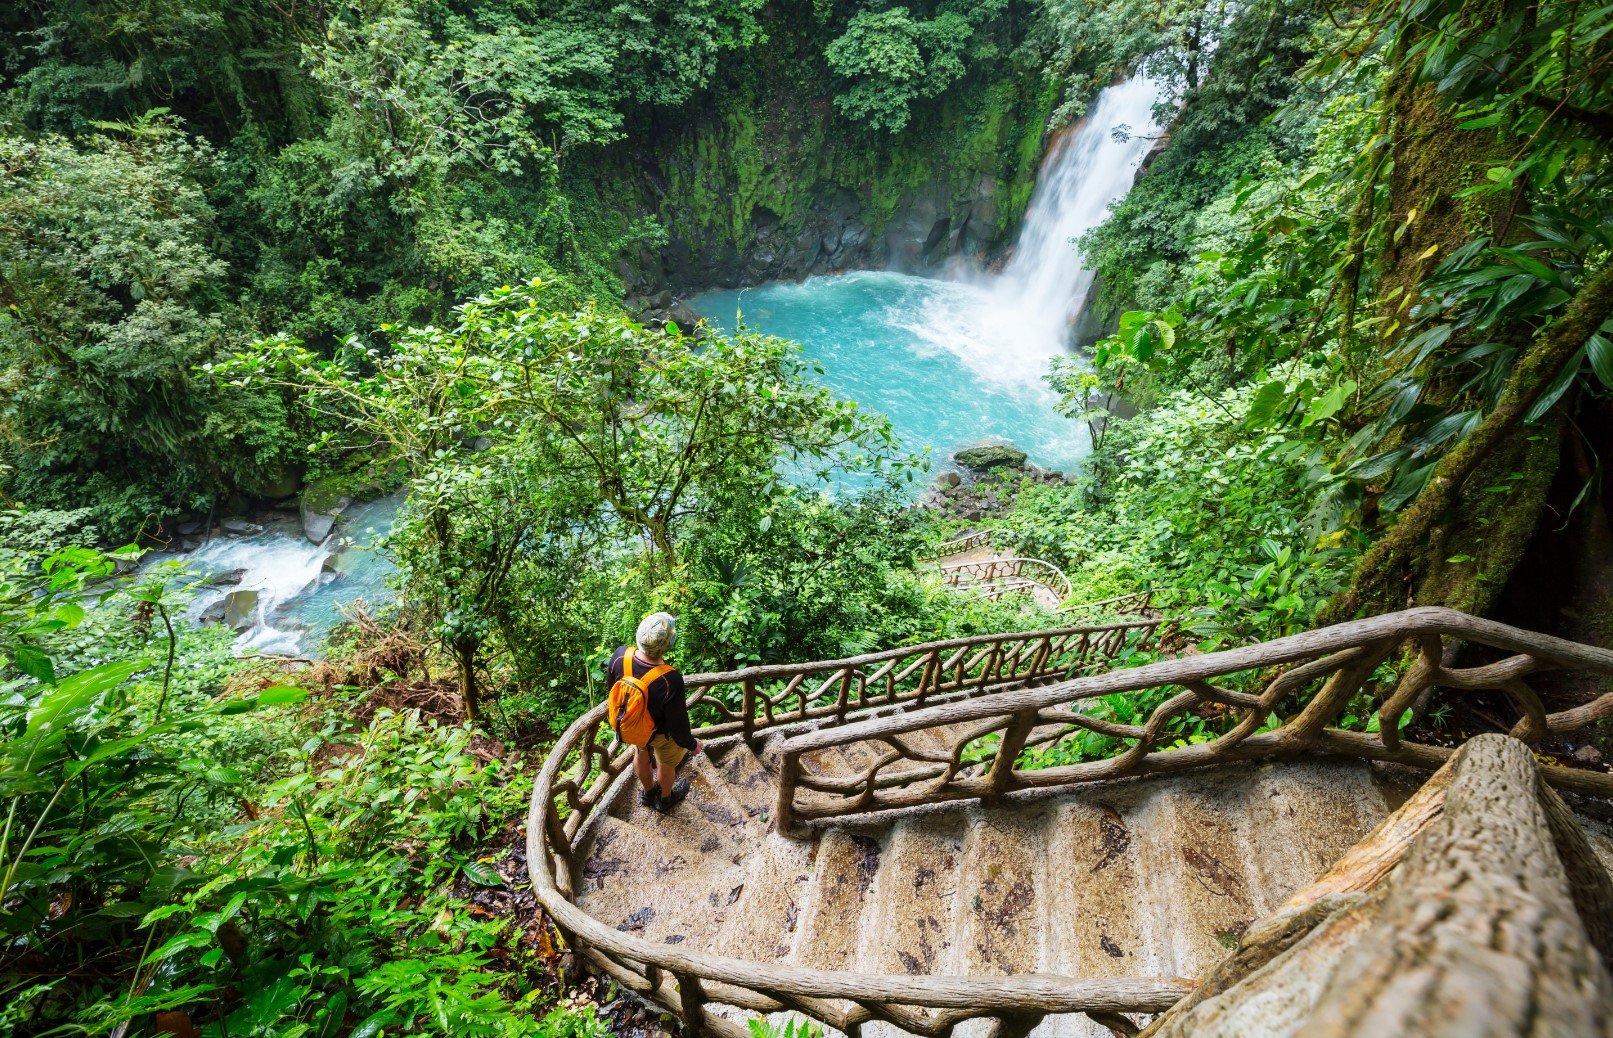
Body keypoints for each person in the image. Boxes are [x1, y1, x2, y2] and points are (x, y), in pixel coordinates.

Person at [607, 611, 701, 811]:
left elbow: (612, 692)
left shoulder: (620, 656)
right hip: (660, 734)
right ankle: (665, 800)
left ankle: (649, 793)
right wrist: (691, 744)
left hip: (634, 727)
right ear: (668, 644)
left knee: (641, 753)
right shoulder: (670, 679)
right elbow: (678, 723)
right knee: (666, 765)